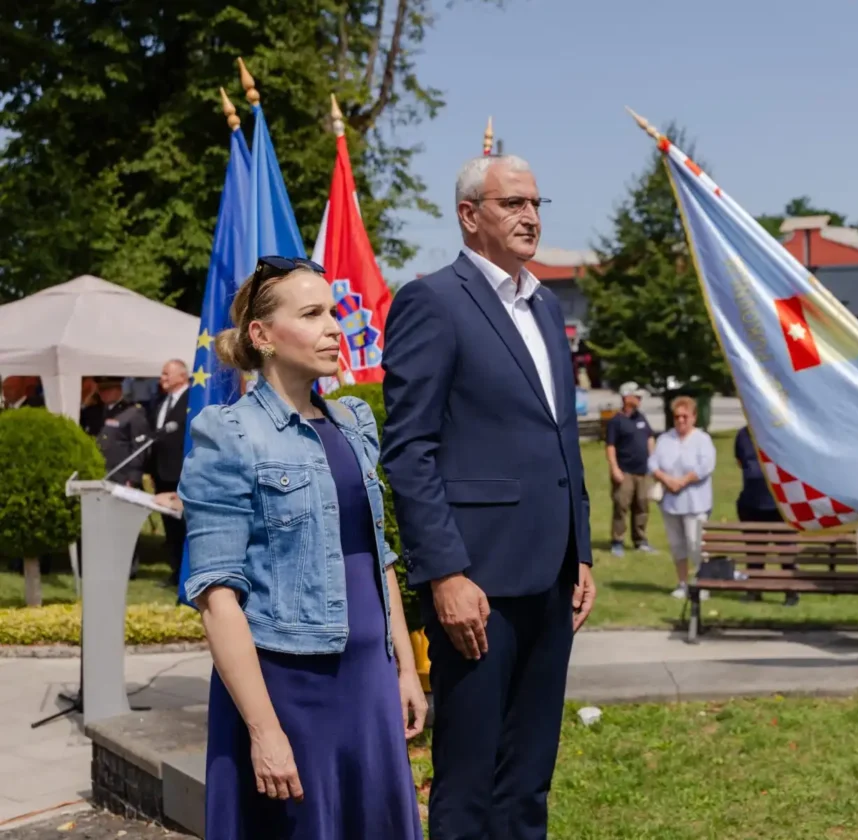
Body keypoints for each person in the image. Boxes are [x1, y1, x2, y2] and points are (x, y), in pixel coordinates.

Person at [381, 154, 595, 840]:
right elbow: (410, 449)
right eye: (512, 204)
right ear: (470, 216)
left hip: (551, 576)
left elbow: (562, 436)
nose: (530, 215)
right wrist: (444, 571)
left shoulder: (548, 303)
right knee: (471, 780)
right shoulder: (433, 302)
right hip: (477, 581)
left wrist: (581, 551)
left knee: (529, 778)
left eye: (536, 202)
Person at [178, 256, 425, 840]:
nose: (335, 327)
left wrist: (406, 670)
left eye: (332, 312)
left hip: (369, 680)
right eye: (312, 314)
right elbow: (216, 597)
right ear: (262, 335)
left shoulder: (354, 422)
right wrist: (264, 731)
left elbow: (377, 555)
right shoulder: (229, 433)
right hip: (290, 690)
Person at [648, 396, 716, 600]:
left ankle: (702, 583)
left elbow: (706, 466)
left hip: (695, 502)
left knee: (697, 545)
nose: (681, 420)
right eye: (677, 416)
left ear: (694, 417)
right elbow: (652, 464)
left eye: (685, 416)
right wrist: (666, 479)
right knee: (677, 545)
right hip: (670, 503)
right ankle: (682, 583)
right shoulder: (665, 439)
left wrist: (683, 481)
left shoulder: (702, 440)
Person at [733, 425, 797, 606]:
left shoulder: (782, 431)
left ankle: (791, 591)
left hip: (780, 504)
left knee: (786, 551)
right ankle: (754, 589)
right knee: (754, 550)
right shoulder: (743, 435)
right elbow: (740, 461)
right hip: (751, 502)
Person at [149, 359, 191, 584]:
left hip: (182, 473)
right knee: (170, 527)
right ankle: (175, 571)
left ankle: (186, 573)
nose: (161, 379)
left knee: (184, 525)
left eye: (166, 374)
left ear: (182, 376)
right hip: (162, 473)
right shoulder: (161, 402)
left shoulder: (192, 399)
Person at [605, 381, 656, 557]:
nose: (640, 398)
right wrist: (614, 469)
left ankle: (640, 540)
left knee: (642, 506)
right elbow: (610, 447)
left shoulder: (641, 418)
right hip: (624, 471)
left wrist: (654, 461)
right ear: (627, 397)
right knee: (621, 506)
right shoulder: (616, 421)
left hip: (643, 471)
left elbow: (649, 438)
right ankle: (617, 541)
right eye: (637, 395)